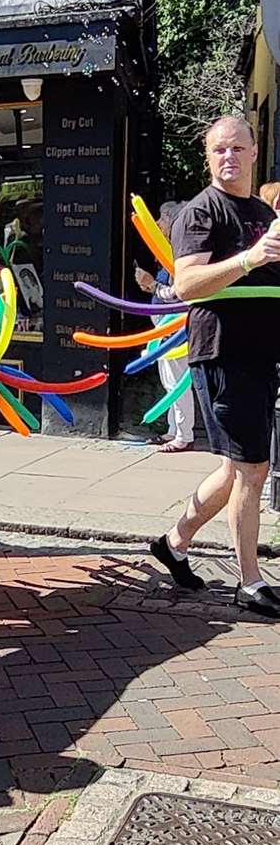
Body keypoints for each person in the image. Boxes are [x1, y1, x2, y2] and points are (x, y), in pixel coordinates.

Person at [149, 116, 280, 618]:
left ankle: (174, 543)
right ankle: (249, 582)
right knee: (253, 468)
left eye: (236, 148)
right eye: (218, 150)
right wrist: (248, 260)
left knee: (234, 467)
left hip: (260, 352)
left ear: (252, 153)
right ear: (209, 157)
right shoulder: (201, 213)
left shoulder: (258, 211)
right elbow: (186, 286)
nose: (228, 157)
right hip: (224, 352)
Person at [132, 200, 195, 453]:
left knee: (177, 381)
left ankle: (183, 433)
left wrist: (151, 285)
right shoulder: (169, 253)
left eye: (162, 218)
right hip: (165, 330)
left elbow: (181, 292)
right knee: (170, 381)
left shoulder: (180, 255)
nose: (157, 224)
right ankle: (174, 430)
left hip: (174, 330)